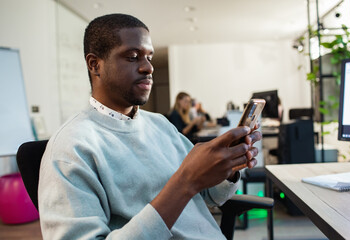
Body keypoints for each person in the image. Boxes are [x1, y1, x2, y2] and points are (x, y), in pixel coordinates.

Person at [38, 13, 261, 239]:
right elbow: (188, 184)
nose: (148, 68)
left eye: (149, 57)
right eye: (133, 57)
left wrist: (229, 166)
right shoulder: (71, 148)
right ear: (95, 65)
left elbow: (209, 196)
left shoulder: (160, 124)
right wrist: (185, 182)